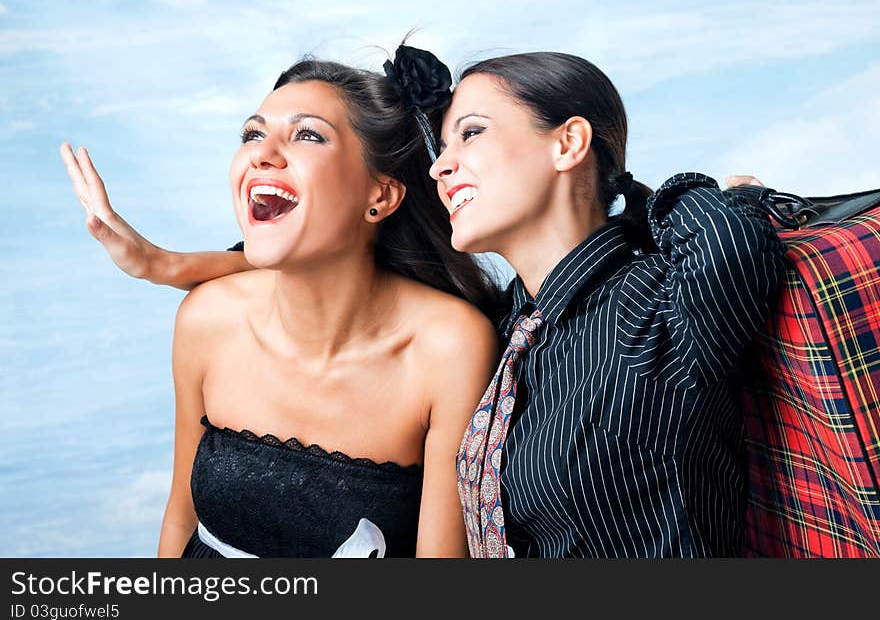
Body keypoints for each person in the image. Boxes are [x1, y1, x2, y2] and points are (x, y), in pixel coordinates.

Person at [60, 48, 500, 557]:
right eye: (252, 134)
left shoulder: (449, 346)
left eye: (308, 134)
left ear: (380, 195)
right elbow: (180, 517)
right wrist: (165, 266)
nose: (261, 153)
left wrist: (167, 265)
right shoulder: (208, 318)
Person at [431, 52, 787, 557]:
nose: (439, 165)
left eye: (470, 133)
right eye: (443, 145)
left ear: (568, 143)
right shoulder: (508, 329)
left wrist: (726, 200)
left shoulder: (659, 301)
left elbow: (728, 239)